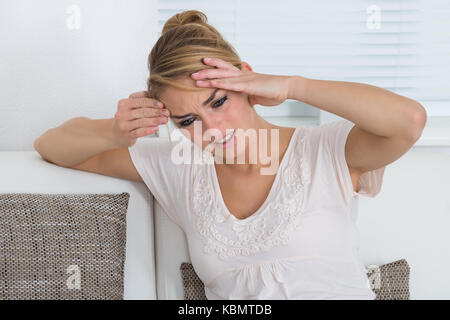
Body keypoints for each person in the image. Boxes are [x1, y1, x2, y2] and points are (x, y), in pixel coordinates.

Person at [34, 9, 426, 299]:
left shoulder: (324, 152)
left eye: (219, 101)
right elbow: (51, 146)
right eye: (188, 121)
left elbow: (408, 119)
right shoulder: (180, 170)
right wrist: (114, 130)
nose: (212, 130)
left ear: (248, 81)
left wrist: (291, 85)